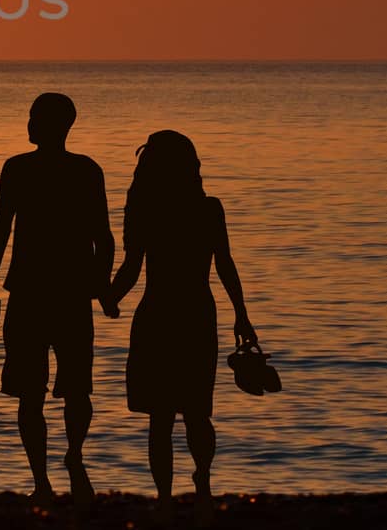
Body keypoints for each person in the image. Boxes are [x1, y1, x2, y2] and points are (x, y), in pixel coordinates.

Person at [105, 130, 257, 524]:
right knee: (195, 411)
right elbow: (225, 263)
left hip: (158, 313)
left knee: (161, 416)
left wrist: (108, 299)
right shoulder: (208, 208)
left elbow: (131, 268)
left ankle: (166, 499)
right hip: (196, 314)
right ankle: (202, 486)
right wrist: (241, 314)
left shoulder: (143, 209)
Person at [0, 92, 117, 506]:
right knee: (73, 390)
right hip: (70, 294)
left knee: (31, 394)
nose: (28, 124)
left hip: (32, 294)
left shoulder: (19, 169)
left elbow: (0, 228)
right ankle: (70, 458)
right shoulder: (86, 170)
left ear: (51, 125)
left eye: (34, 117)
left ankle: (44, 478)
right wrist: (102, 285)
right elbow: (103, 238)